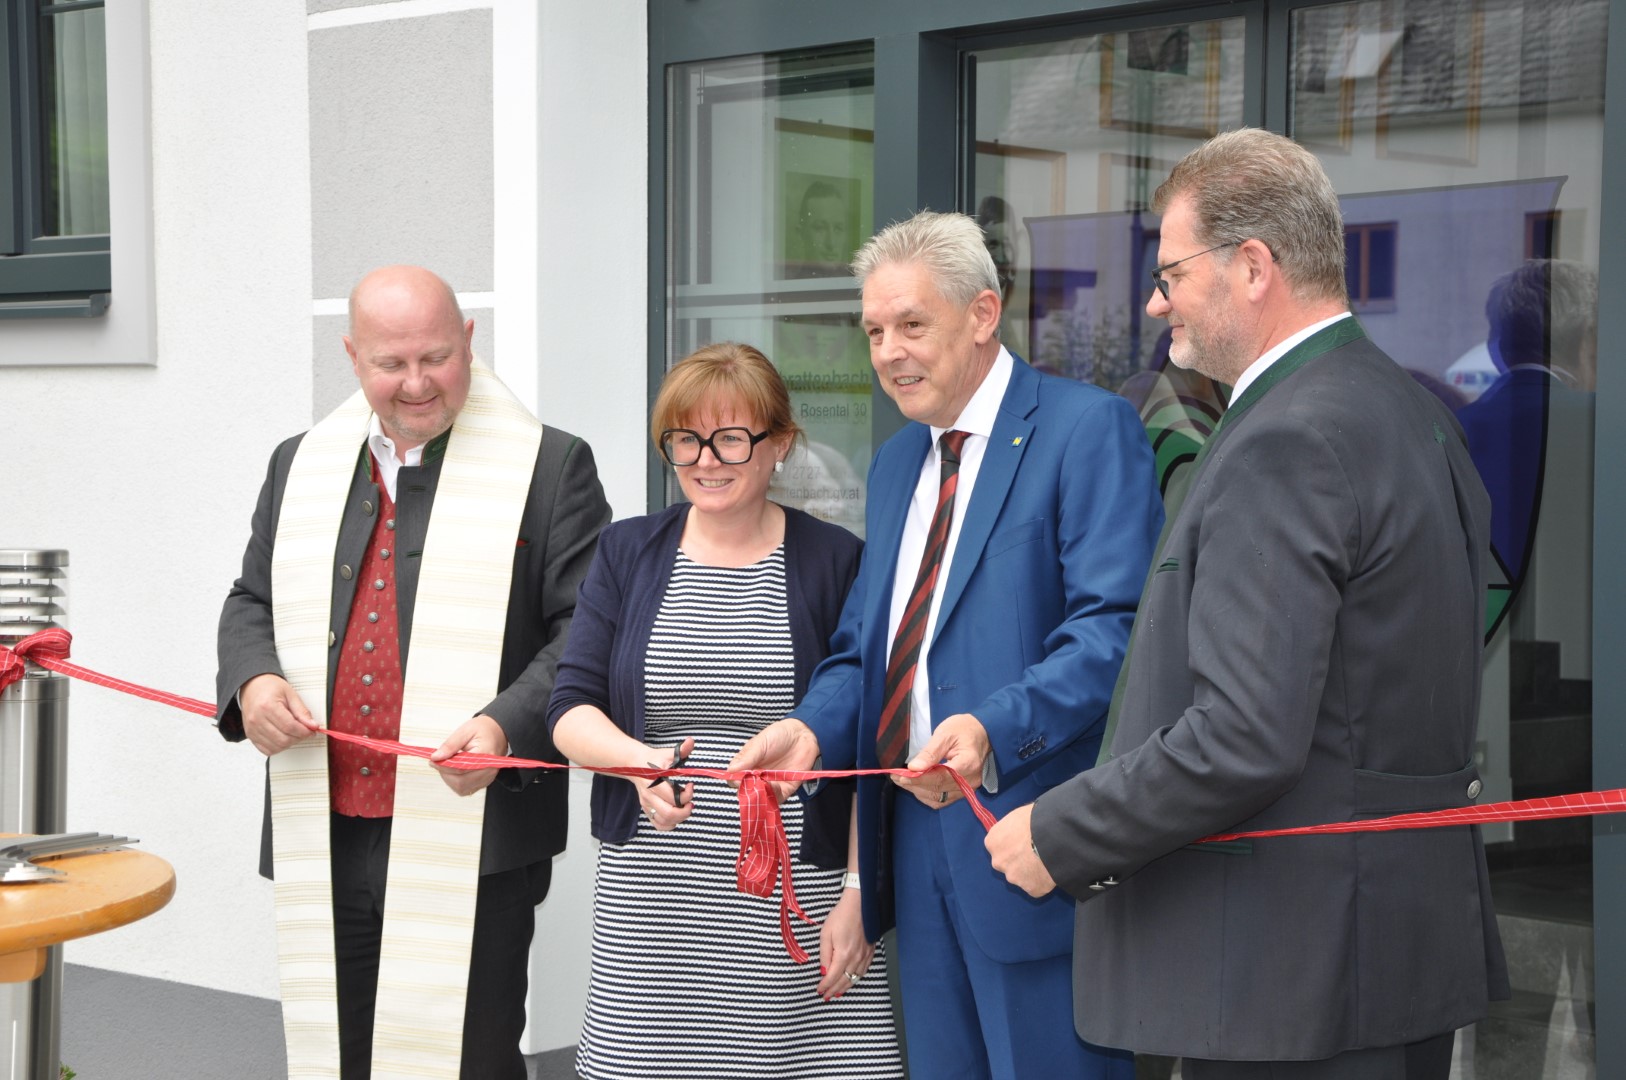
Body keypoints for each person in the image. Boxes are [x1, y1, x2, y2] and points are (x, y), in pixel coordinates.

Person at [985, 128, 1510, 1079]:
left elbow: (1243, 736)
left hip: (1292, 980)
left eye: (1171, 274)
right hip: (1390, 961)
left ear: (1255, 267)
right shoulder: (1415, 413)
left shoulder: (1286, 439)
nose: (1156, 302)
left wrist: (1062, 833)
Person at [731, 210, 1163, 1079]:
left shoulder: (1086, 429)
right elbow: (866, 646)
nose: (889, 352)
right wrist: (811, 729)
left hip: (1030, 842)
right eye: (874, 332)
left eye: (911, 325)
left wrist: (993, 731)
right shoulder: (899, 461)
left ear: (982, 314)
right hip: (913, 847)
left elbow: (1116, 633)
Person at [216, 265, 610, 1079]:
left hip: (477, 835)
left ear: (468, 341)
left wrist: (504, 725)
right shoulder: (300, 464)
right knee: (341, 1058)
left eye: (436, 357)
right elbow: (251, 599)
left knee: (469, 1061)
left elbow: (585, 632)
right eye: (391, 364)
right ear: (352, 357)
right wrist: (254, 681)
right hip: (326, 827)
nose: (417, 383)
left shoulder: (550, 466)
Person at [546, 343, 902, 1079]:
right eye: (686, 439)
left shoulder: (836, 560)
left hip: (796, 901)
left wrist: (858, 895)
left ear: (780, 444)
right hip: (653, 902)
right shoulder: (626, 551)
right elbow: (569, 707)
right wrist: (636, 762)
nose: (706, 460)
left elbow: (868, 739)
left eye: (731, 438)